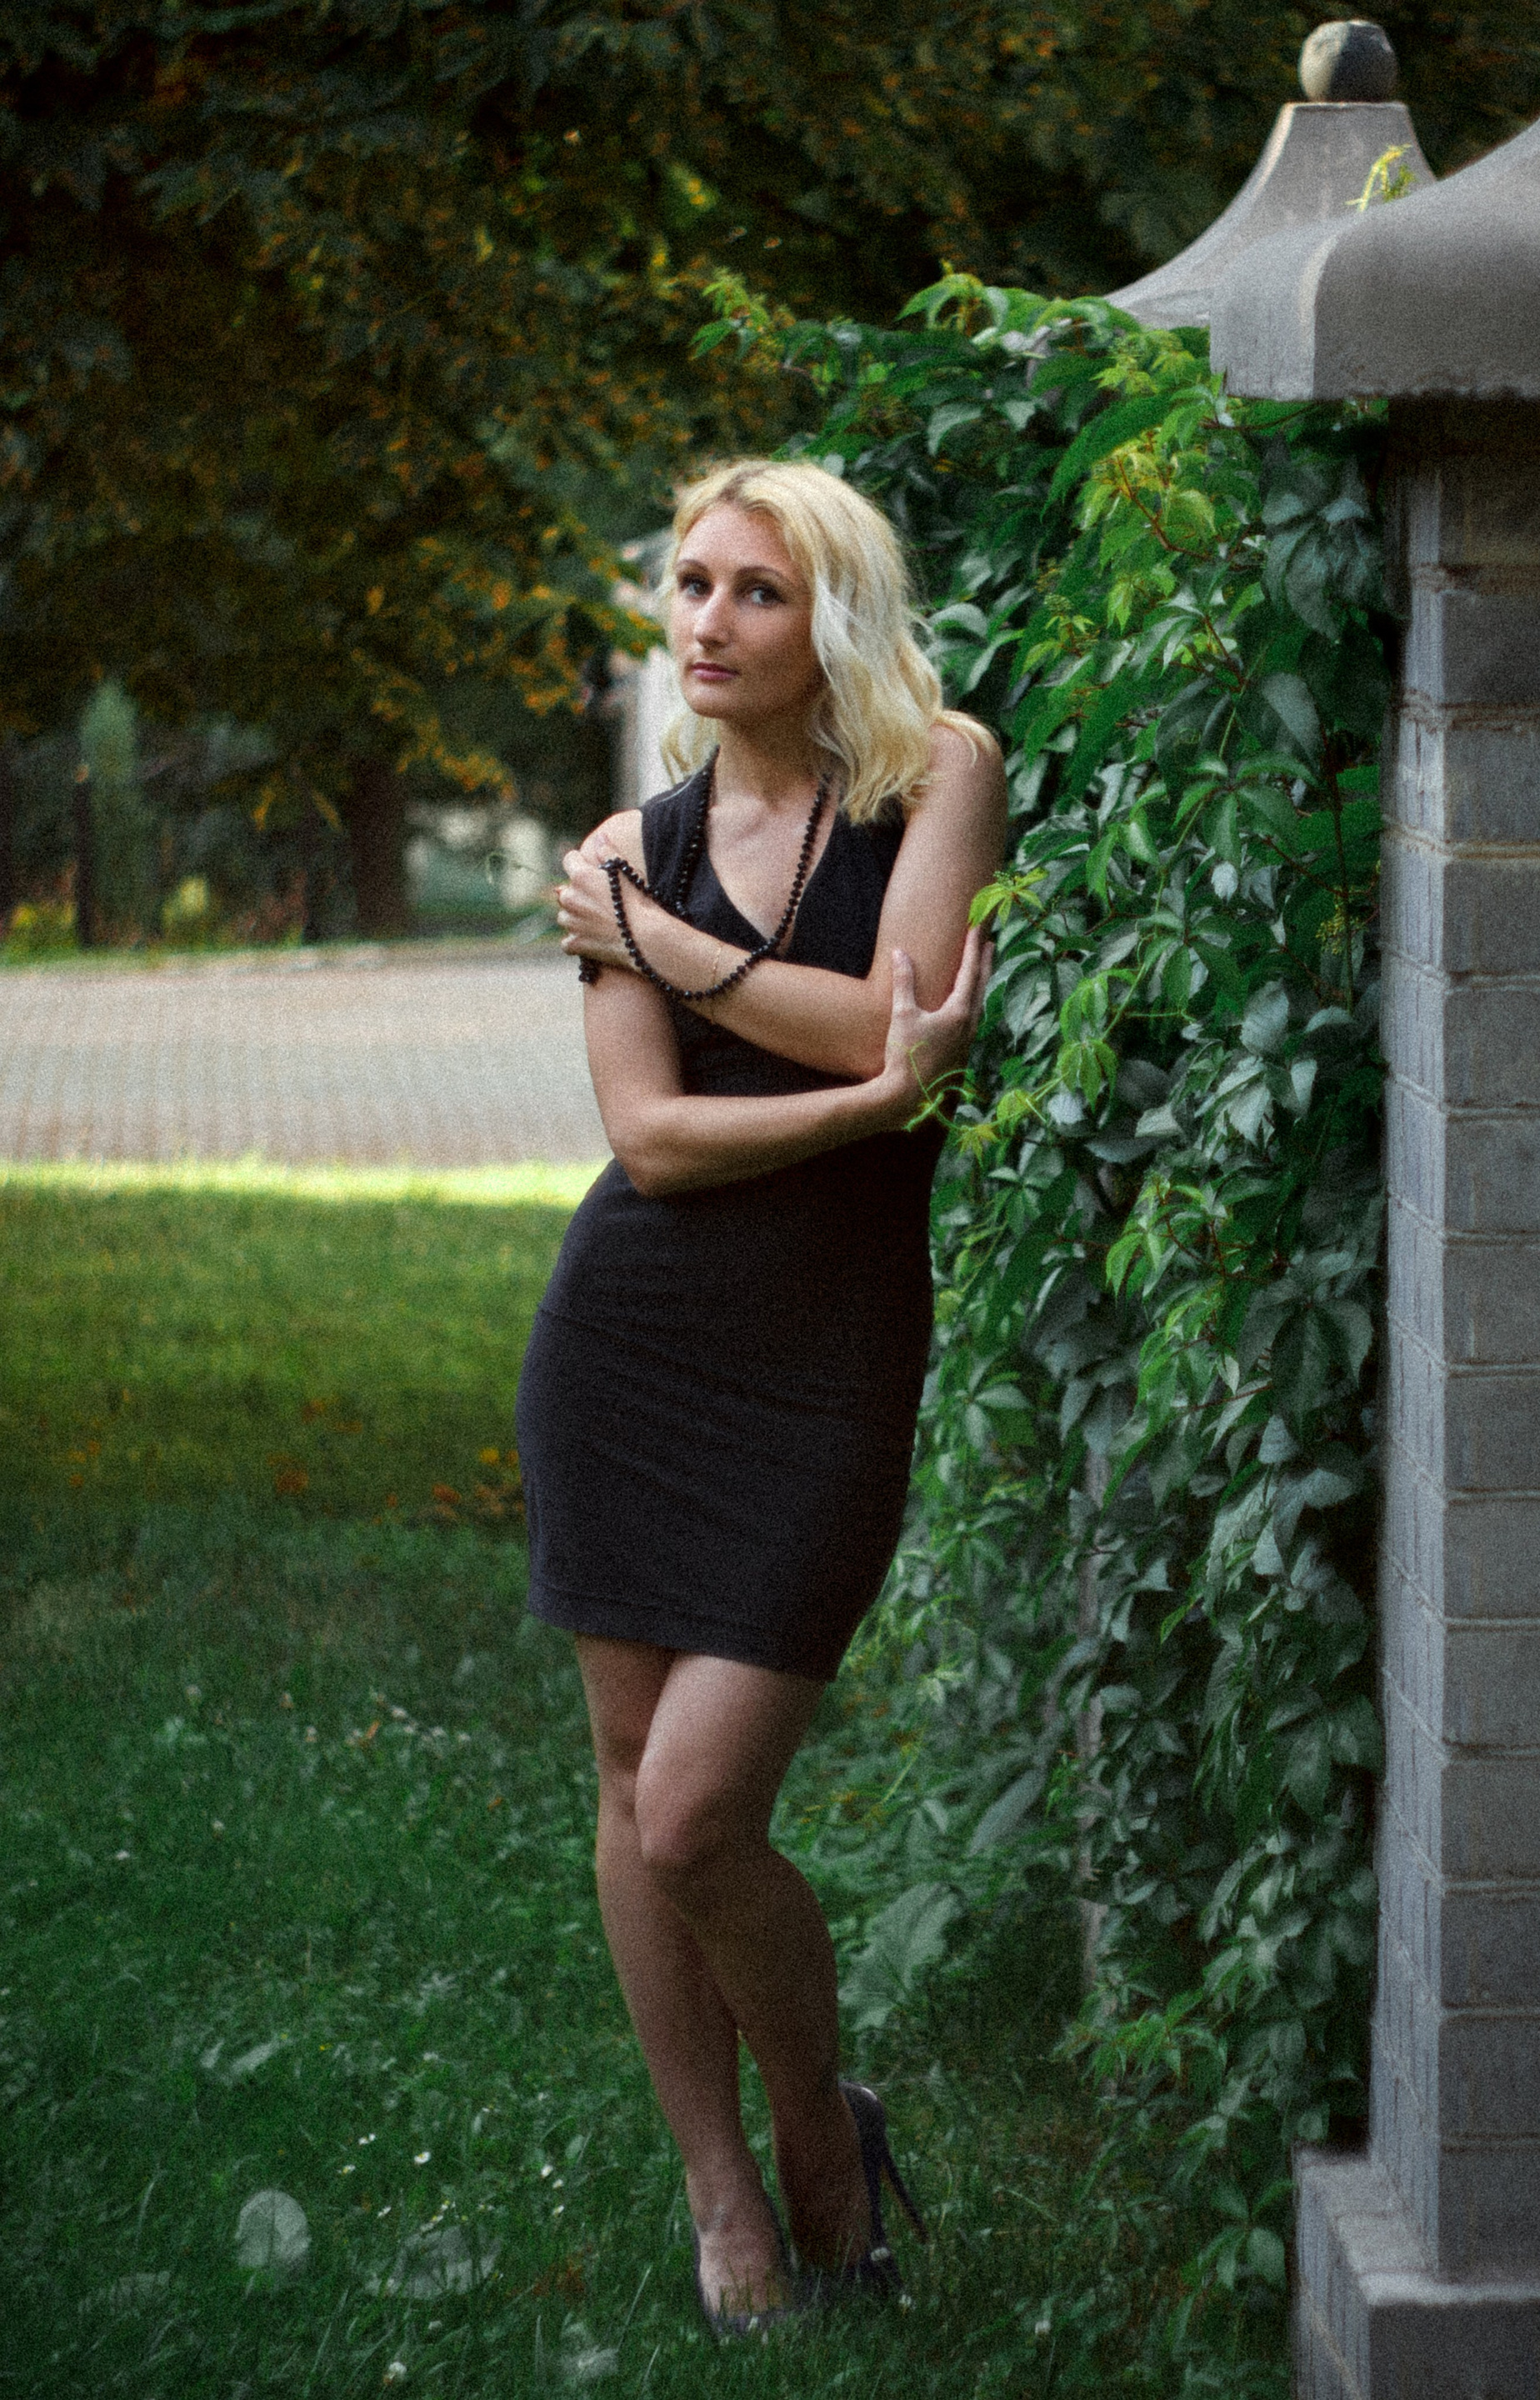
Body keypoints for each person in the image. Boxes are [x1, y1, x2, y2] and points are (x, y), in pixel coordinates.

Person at [518, 457, 1006, 2330]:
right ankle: (724, 2200)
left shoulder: (936, 773)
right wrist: (872, 1104)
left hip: (827, 1358)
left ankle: (817, 2123)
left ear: (836, 619)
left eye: (759, 591)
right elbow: (652, 1141)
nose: (707, 624)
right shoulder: (625, 843)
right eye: (692, 584)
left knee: (697, 1811)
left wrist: (679, 955)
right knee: (630, 1783)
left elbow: (897, 1003)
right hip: (632, 1345)